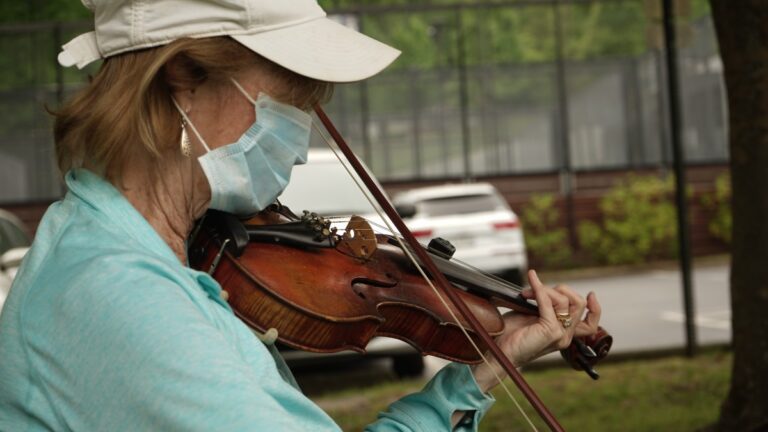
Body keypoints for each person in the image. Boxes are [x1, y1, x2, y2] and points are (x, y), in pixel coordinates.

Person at [0, 1, 602, 431]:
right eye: (291, 95)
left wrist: (479, 375)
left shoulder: (134, 255)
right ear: (184, 74)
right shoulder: (122, 295)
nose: (300, 126)